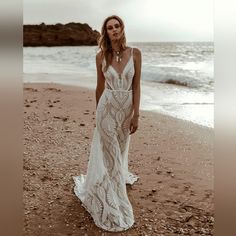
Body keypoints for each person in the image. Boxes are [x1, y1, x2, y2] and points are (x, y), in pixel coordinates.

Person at [73, 15, 142, 232]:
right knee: (110, 155)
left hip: (126, 111)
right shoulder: (101, 56)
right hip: (106, 109)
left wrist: (136, 114)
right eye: (110, 27)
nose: (114, 30)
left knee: (119, 154)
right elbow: (99, 87)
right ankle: (114, 204)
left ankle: (113, 185)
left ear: (122, 28)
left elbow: (137, 86)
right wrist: (97, 112)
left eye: (117, 26)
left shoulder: (135, 53)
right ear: (106, 32)